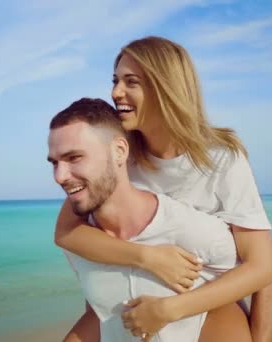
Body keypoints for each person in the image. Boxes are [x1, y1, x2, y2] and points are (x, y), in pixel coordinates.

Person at [55, 36, 272, 342]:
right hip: (124, 298)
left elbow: (261, 267)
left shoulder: (221, 158)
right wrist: (147, 257)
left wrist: (168, 310)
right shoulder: (121, 154)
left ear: (165, 87)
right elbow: (67, 232)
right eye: (115, 81)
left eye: (130, 82)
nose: (116, 92)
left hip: (202, 301)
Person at [48, 98, 251, 342]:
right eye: (54, 163)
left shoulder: (191, 231)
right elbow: (98, 309)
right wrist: (146, 256)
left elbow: (264, 276)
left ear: (120, 151)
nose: (59, 176)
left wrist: (168, 310)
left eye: (74, 158)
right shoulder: (78, 242)